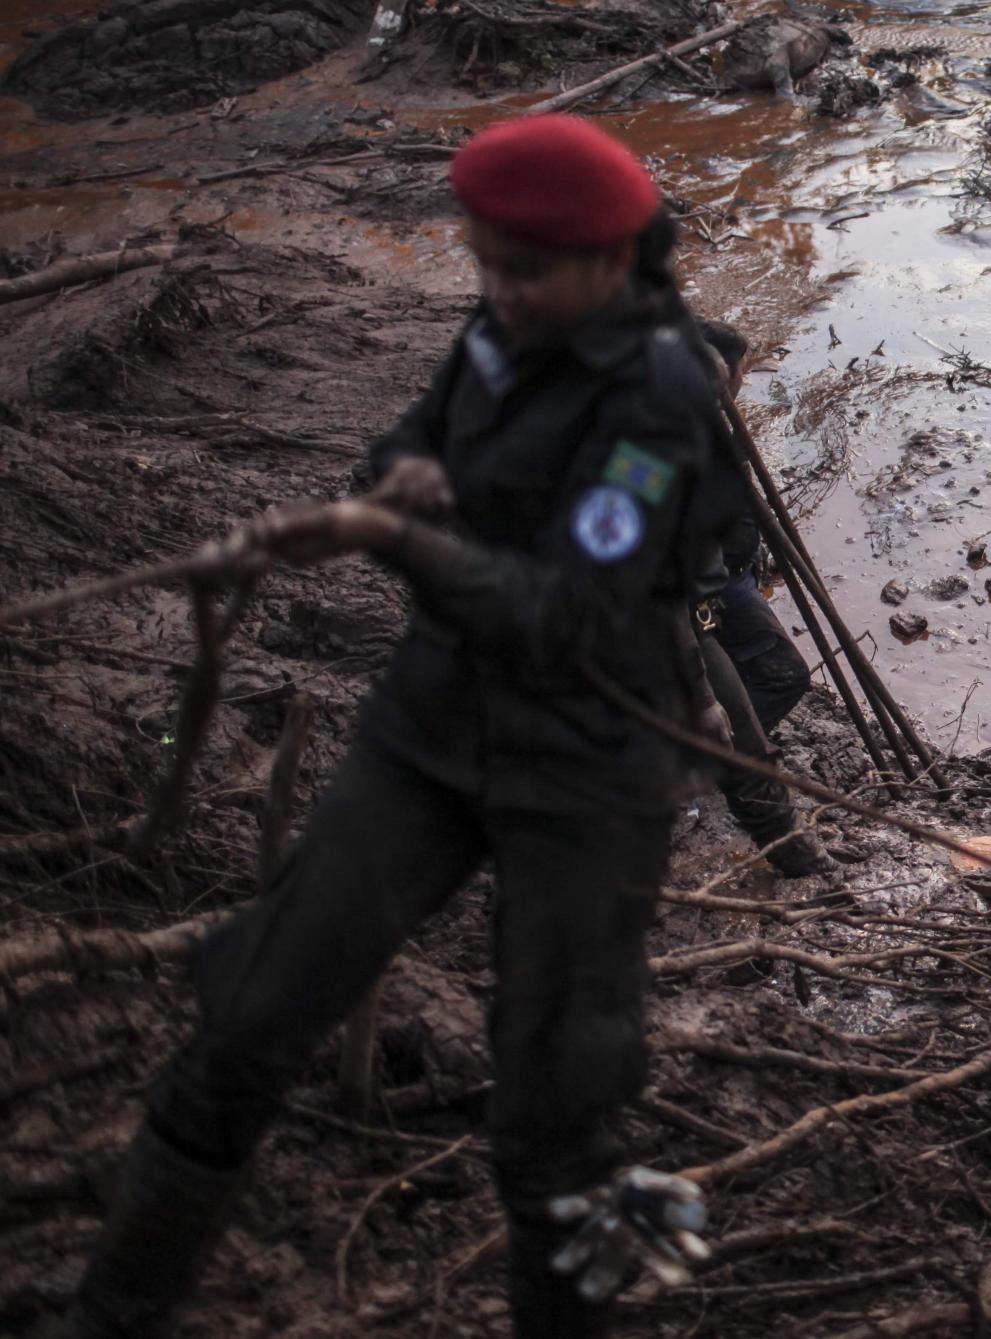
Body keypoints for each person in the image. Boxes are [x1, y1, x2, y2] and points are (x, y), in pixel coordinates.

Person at [63, 115, 736, 1338]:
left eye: (523, 272)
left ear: (608, 261)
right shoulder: (501, 322)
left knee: (555, 1123)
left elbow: (569, 616)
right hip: (430, 728)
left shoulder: (662, 404)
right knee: (250, 1016)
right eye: (483, 265)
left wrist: (398, 541)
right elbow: (418, 431)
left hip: (586, 769)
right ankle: (113, 1313)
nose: (497, 293)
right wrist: (400, 478)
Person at [688, 319, 832, 878]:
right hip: (671, 617)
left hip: (692, 604)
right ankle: (796, 856)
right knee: (741, 735)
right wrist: (701, 694)